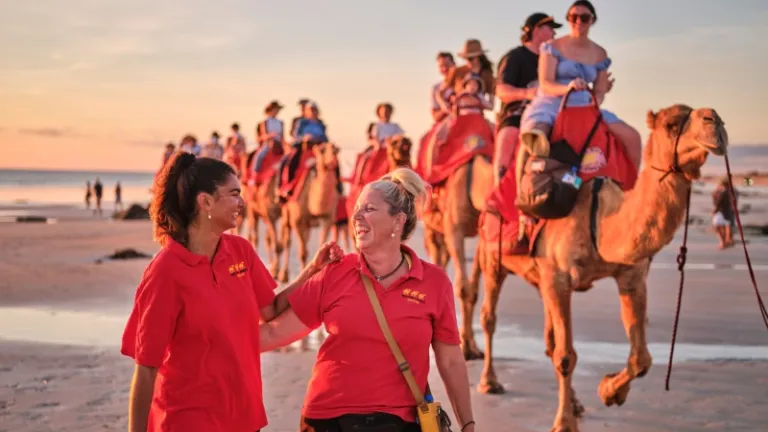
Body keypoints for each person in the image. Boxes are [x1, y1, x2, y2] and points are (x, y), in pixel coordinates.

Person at [120, 152, 342, 432]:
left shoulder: (241, 251)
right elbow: (146, 368)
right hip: (188, 420)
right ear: (205, 202)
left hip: (244, 417)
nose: (242, 203)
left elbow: (272, 310)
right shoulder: (166, 271)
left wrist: (312, 270)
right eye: (234, 194)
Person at [259, 167, 477, 432]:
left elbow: (451, 360)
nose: (356, 216)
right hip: (327, 420)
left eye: (369, 209)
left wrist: (467, 425)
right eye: (356, 209)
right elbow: (273, 333)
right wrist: (214, 341)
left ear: (398, 221)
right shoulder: (335, 272)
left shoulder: (434, 282)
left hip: (399, 422)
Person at [519, 0, 641, 169]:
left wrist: (594, 103)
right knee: (536, 135)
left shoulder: (600, 54)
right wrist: (568, 88)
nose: (578, 21)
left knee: (632, 137)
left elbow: (599, 91)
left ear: (592, 20)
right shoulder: (552, 47)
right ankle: (524, 181)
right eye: (573, 17)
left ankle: (631, 183)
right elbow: (546, 83)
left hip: (584, 105)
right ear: (568, 19)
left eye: (584, 18)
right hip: (552, 102)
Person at [494, 13, 563, 185]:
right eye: (550, 28)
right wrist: (527, 93)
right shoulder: (515, 56)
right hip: (516, 116)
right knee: (509, 135)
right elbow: (501, 91)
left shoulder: (553, 58)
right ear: (536, 30)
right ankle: (499, 186)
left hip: (548, 114)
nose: (554, 33)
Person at [276, 101, 330, 200]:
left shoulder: (321, 124)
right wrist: (304, 138)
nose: (313, 112)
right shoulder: (301, 122)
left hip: (318, 148)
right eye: (310, 110)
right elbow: (296, 136)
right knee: (289, 160)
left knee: (332, 162)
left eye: (314, 110)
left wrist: (322, 141)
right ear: (306, 112)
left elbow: (325, 138)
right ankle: (286, 187)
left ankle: (337, 187)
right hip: (303, 146)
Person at [252, 100, 286, 175]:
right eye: (275, 109)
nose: (277, 111)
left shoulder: (280, 122)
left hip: (279, 143)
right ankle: (255, 173)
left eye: (278, 109)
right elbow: (263, 136)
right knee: (259, 156)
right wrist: (270, 135)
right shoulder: (265, 122)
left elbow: (283, 136)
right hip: (268, 143)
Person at [712, 177, 738, 249]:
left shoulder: (724, 192)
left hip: (722, 211)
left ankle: (724, 242)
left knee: (718, 226)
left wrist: (715, 210)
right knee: (726, 225)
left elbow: (718, 202)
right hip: (729, 211)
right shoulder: (732, 191)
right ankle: (727, 241)